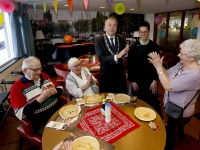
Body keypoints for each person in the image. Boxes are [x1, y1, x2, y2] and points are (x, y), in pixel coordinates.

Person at [148, 39, 200, 149]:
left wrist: (158, 67)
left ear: (192, 57)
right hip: (172, 108)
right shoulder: (181, 65)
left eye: (182, 53)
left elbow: (168, 86)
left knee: (172, 138)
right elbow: (166, 74)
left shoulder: (194, 74)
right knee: (173, 131)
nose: (178, 54)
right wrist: (159, 65)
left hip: (180, 112)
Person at [10, 56, 63, 135]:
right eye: (35, 70)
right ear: (25, 71)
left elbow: (60, 88)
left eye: (40, 68)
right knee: (59, 137)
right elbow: (21, 114)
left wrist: (55, 91)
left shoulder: (44, 76)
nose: (39, 72)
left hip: (58, 112)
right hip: (41, 122)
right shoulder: (17, 87)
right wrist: (41, 98)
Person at [127, 21, 162, 118]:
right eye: (141, 32)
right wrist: (133, 81)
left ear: (149, 31)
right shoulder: (133, 48)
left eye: (145, 32)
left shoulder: (154, 46)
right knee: (138, 103)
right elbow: (130, 66)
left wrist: (155, 80)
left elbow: (157, 65)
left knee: (153, 104)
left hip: (150, 80)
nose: (143, 34)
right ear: (138, 32)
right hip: (137, 81)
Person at [95, 17, 129, 93]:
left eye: (114, 25)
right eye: (109, 25)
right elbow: (101, 58)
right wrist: (117, 56)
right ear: (105, 27)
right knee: (107, 101)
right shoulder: (99, 40)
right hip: (106, 76)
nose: (112, 27)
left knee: (122, 99)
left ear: (117, 27)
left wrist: (126, 54)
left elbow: (124, 54)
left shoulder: (121, 38)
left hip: (120, 75)